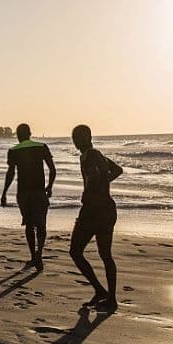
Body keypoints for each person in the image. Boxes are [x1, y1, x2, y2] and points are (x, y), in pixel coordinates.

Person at [70, 124, 124, 312]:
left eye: (78, 137)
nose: (75, 141)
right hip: (107, 209)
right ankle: (110, 298)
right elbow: (117, 170)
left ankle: (102, 292)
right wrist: (103, 185)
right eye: (74, 137)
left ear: (88, 137)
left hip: (94, 211)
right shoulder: (97, 154)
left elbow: (95, 174)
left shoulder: (90, 156)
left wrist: (91, 190)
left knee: (75, 251)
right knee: (105, 255)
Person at [0, 123, 56, 271]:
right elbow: (52, 169)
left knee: (29, 225)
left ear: (18, 135)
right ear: (30, 133)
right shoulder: (41, 147)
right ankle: (39, 253)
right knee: (42, 224)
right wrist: (49, 186)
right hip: (39, 191)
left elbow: (10, 173)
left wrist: (4, 192)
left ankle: (33, 256)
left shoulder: (13, 151)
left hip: (23, 193)